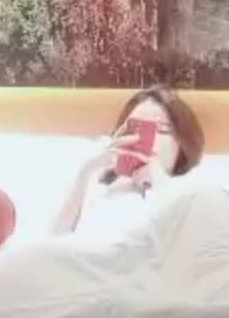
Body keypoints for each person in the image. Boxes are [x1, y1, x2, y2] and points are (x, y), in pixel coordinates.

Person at [53, 85, 206, 237]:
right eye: (135, 128)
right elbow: (55, 245)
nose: (145, 138)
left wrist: (156, 181)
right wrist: (85, 175)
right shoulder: (103, 188)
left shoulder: (194, 192)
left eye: (162, 129)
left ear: (183, 142)